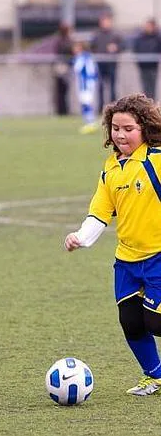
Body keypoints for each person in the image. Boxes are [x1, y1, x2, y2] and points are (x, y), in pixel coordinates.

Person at [64, 93, 161, 396]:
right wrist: (81, 237)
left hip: (158, 256)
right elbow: (100, 212)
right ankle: (155, 376)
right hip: (127, 261)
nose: (121, 135)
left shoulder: (155, 160)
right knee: (131, 322)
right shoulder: (110, 168)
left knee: (155, 321)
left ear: (144, 128)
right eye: (116, 129)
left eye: (128, 129)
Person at [90, 13, 125, 113]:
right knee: (100, 87)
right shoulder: (96, 35)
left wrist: (116, 48)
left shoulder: (115, 35)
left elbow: (123, 46)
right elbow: (92, 47)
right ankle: (100, 108)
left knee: (112, 86)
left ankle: (114, 108)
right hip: (100, 64)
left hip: (112, 64)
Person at [72, 40, 99, 135]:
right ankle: (90, 123)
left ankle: (91, 123)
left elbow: (77, 69)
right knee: (86, 103)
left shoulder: (82, 57)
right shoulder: (88, 56)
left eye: (76, 47)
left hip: (85, 84)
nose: (74, 49)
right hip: (88, 83)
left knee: (86, 103)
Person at [133, 18, 161, 100]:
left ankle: (152, 104)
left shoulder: (157, 38)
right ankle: (145, 103)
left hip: (153, 65)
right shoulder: (140, 37)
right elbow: (136, 48)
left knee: (152, 86)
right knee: (145, 86)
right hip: (143, 65)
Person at [53, 23, 73, 116]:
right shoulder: (64, 41)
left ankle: (63, 110)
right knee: (62, 90)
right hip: (63, 67)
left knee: (62, 90)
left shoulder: (60, 41)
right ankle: (62, 110)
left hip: (62, 66)